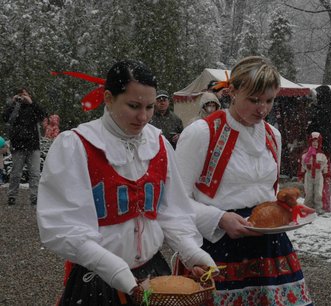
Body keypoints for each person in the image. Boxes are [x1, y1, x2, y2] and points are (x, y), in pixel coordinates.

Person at [36, 60, 216, 305]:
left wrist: (190, 251)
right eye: (133, 106)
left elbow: (172, 211)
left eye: (150, 107)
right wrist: (111, 266)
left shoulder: (159, 144)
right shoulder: (77, 145)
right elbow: (61, 225)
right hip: (97, 280)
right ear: (108, 98)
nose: (143, 117)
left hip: (153, 273)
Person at [175, 56, 314, 305]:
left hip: (271, 249)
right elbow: (174, 202)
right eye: (253, 100)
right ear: (232, 92)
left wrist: (286, 207)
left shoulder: (274, 136)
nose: (262, 109)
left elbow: (268, 192)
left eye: (269, 100)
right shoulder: (201, 133)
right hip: (217, 247)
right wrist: (219, 218)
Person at [2, 87, 47, 206]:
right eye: (19, 94)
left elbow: (43, 115)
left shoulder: (33, 107)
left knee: (35, 173)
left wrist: (31, 102)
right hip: (18, 145)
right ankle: (12, 196)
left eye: (24, 94)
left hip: (33, 145)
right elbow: (5, 118)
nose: (22, 97)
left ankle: (35, 197)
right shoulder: (14, 107)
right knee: (16, 173)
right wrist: (12, 103)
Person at [300, 132, 329, 215]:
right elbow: (302, 165)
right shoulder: (306, 154)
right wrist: (301, 174)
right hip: (308, 175)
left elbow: (326, 166)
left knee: (318, 193)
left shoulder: (322, 155)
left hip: (318, 175)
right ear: (310, 142)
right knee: (308, 192)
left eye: (316, 141)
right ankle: (307, 207)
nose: (315, 143)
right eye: (313, 141)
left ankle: (318, 208)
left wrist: (326, 175)